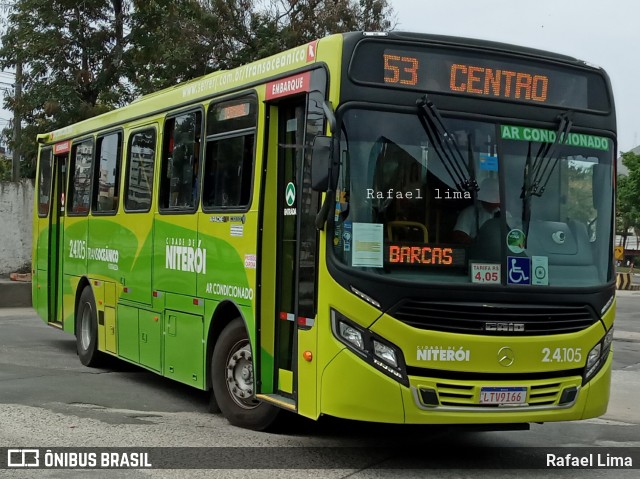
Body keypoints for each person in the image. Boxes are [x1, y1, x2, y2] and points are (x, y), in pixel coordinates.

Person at [453, 177, 500, 244]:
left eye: (497, 193)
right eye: (491, 192)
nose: (495, 195)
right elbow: (459, 236)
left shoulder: (506, 215)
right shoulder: (469, 213)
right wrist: (478, 244)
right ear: (484, 193)